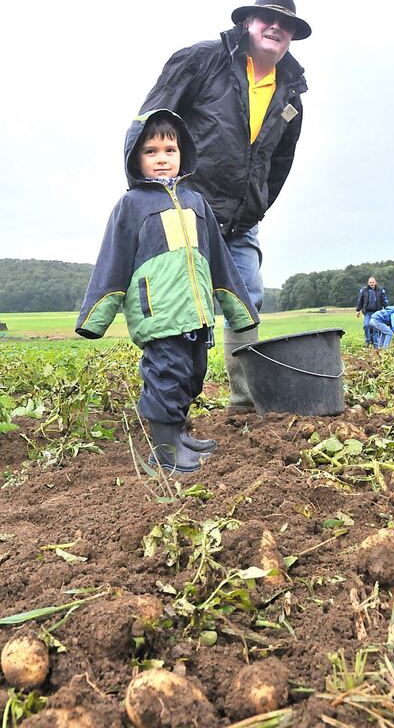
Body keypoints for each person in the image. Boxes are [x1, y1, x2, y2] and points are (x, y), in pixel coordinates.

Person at [137, 0, 311, 410]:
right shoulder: (202, 61)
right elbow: (151, 121)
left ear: (291, 35)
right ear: (247, 22)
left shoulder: (290, 94)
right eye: (267, 17)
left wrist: (257, 203)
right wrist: (152, 194)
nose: (276, 26)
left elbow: (280, 160)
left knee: (245, 301)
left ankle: (244, 403)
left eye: (285, 22)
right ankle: (168, 407)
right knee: (178, 308)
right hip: (186, 207)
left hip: (241, 220)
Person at [76, 110, 259, 474]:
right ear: (135, 159)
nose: (162, 158)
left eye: (170, 149)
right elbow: (111, 263)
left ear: (183, 154)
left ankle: (178, 434)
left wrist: (239, 310)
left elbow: (220, 263)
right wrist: (94, 317)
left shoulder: (196, 202)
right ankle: (163, 452)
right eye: (151, 151)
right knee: (166, 377)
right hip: (159, 317)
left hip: (197, 315)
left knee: (192, 376)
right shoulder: (131, 206)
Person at [356, 276, 389, 346]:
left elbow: (385, 300)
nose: (371, 284)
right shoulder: (363, 290)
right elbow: (360, 301)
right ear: (368, 283)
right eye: (370, 282)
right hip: (367, 311)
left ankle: (376, 343)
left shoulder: (381, 290)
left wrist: (387, 309)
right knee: (366, 325)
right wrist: (358, 310)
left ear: (375, 282)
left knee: (375, 327)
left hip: (377, 312)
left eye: (373, 282)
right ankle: (367, 340)